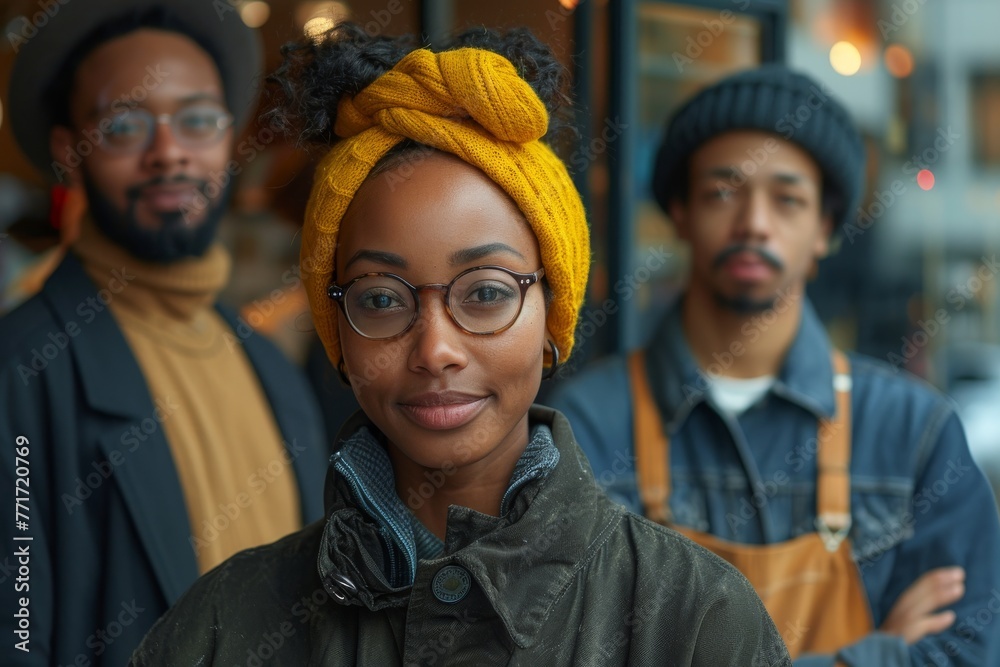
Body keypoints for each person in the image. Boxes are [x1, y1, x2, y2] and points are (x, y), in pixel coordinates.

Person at [129, 25, 791, 666]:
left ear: (552, 312)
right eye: (382, 298)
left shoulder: (697, 622)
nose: (436, 349)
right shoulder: (223, 627)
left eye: (486, 292)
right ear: (338, 333)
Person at [547, 65, 1000, 666]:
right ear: (679, 212)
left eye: (787, 199)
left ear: (824, 230)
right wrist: (866, 658)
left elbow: (970, 652)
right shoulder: (583, 427)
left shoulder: (914, 433)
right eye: (723, 191)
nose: (754, 222)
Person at [0, 1, 328, 663]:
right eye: (125, 124)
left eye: (198, 120)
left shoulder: (273, 371)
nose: (169, 152)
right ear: (70, 152)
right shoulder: (20, 372)